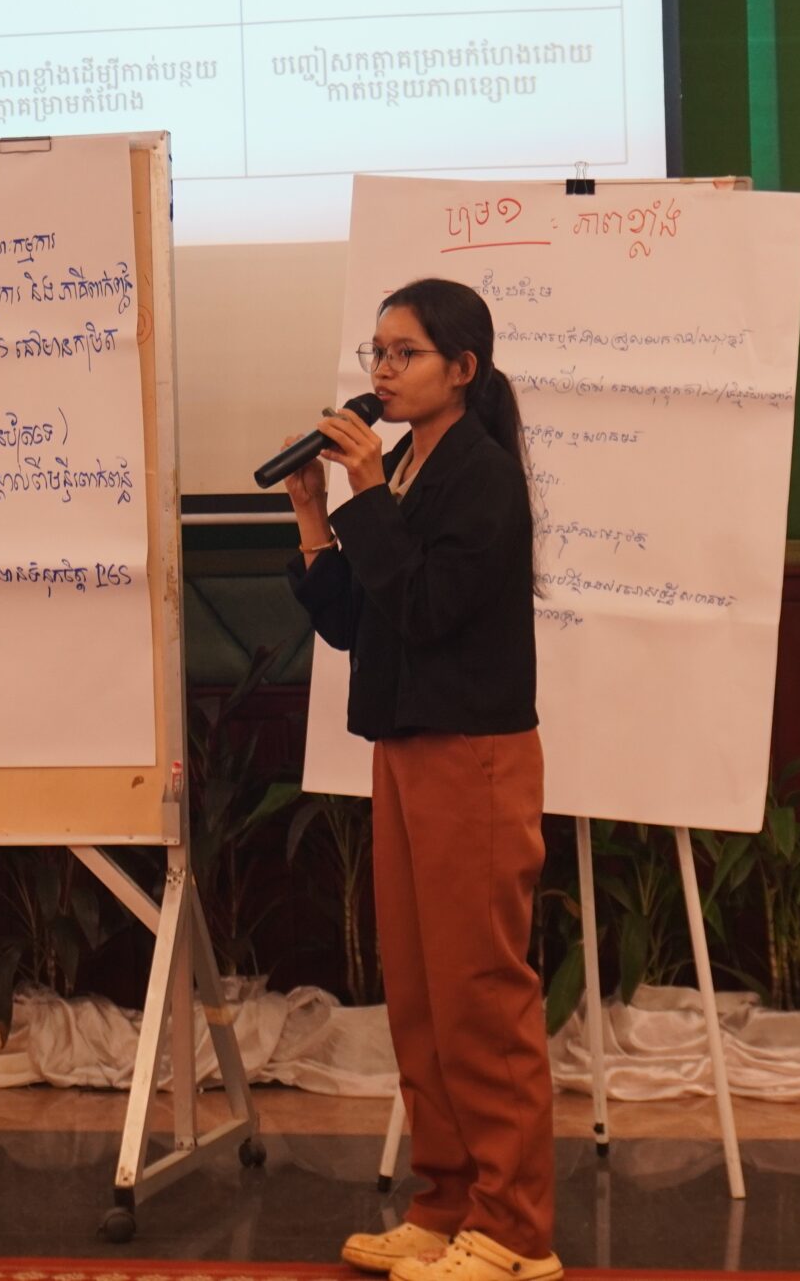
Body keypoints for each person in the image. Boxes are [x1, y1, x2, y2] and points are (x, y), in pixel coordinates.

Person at [285, 277, 559, 1281]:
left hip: (470, 754)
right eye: (377, 352)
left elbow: (432, 608)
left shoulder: (480, 475)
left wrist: (364, 496)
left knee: (479, 991)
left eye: (404, 353)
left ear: (463, 368)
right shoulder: (402, 467)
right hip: (403, 747)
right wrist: (315, 515)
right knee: (420, 993)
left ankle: (516, 1231)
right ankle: (447, 1205)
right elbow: (357, 622)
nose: (383, 371)